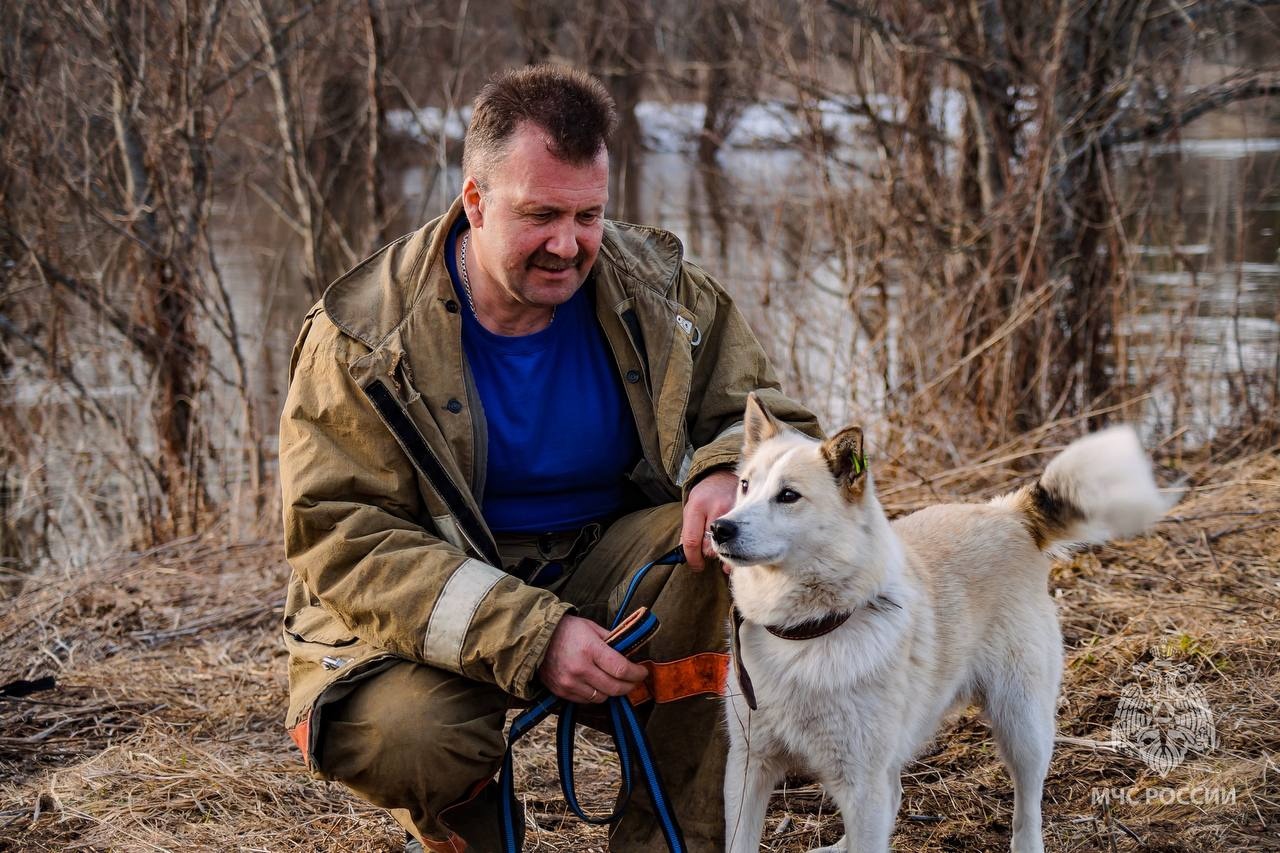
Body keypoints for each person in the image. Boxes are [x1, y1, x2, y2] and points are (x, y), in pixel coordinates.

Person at [279, 64, 820, 853]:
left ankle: (673, 840)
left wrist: (723, 471)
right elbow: (342, 536)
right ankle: (472, 833)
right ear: (474, 201)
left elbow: (774, 420)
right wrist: (533, 633)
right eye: (539, 215)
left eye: (588, 214)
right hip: (425, 596)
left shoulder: (655, 287)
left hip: (609, 563)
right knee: (410, 739)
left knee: (731, 559)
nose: (568, 245)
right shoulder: (361, 338)